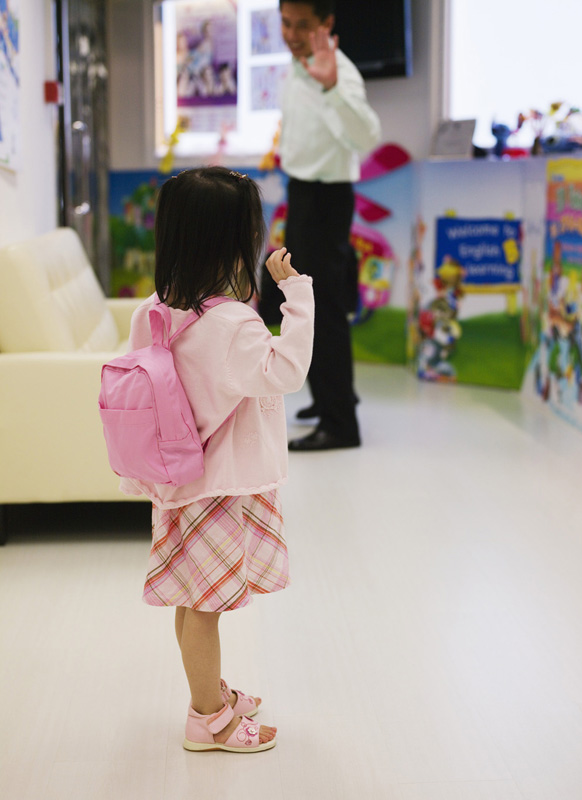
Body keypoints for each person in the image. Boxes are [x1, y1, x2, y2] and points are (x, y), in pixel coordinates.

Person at [121, 167, 314, 753]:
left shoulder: (154, 310)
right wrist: (297, 296)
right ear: (234, 241)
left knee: (191, 598)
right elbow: (287, 372)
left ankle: (208, 698)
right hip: (221, 488)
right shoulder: (231, 323)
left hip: (177, 482)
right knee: (206, 608)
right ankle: (210, 721)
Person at [278, 0, 381, 451]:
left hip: (326, 198)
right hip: (303, 192)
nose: (293, 34)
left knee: (324, 309)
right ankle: (326, 400)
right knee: (307, 300)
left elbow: (367, 137)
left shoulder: (339, 71)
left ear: (327, 24)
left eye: (304, 25)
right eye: (286, 23)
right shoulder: (296, 67)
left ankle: (341, 425)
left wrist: (334, 87)